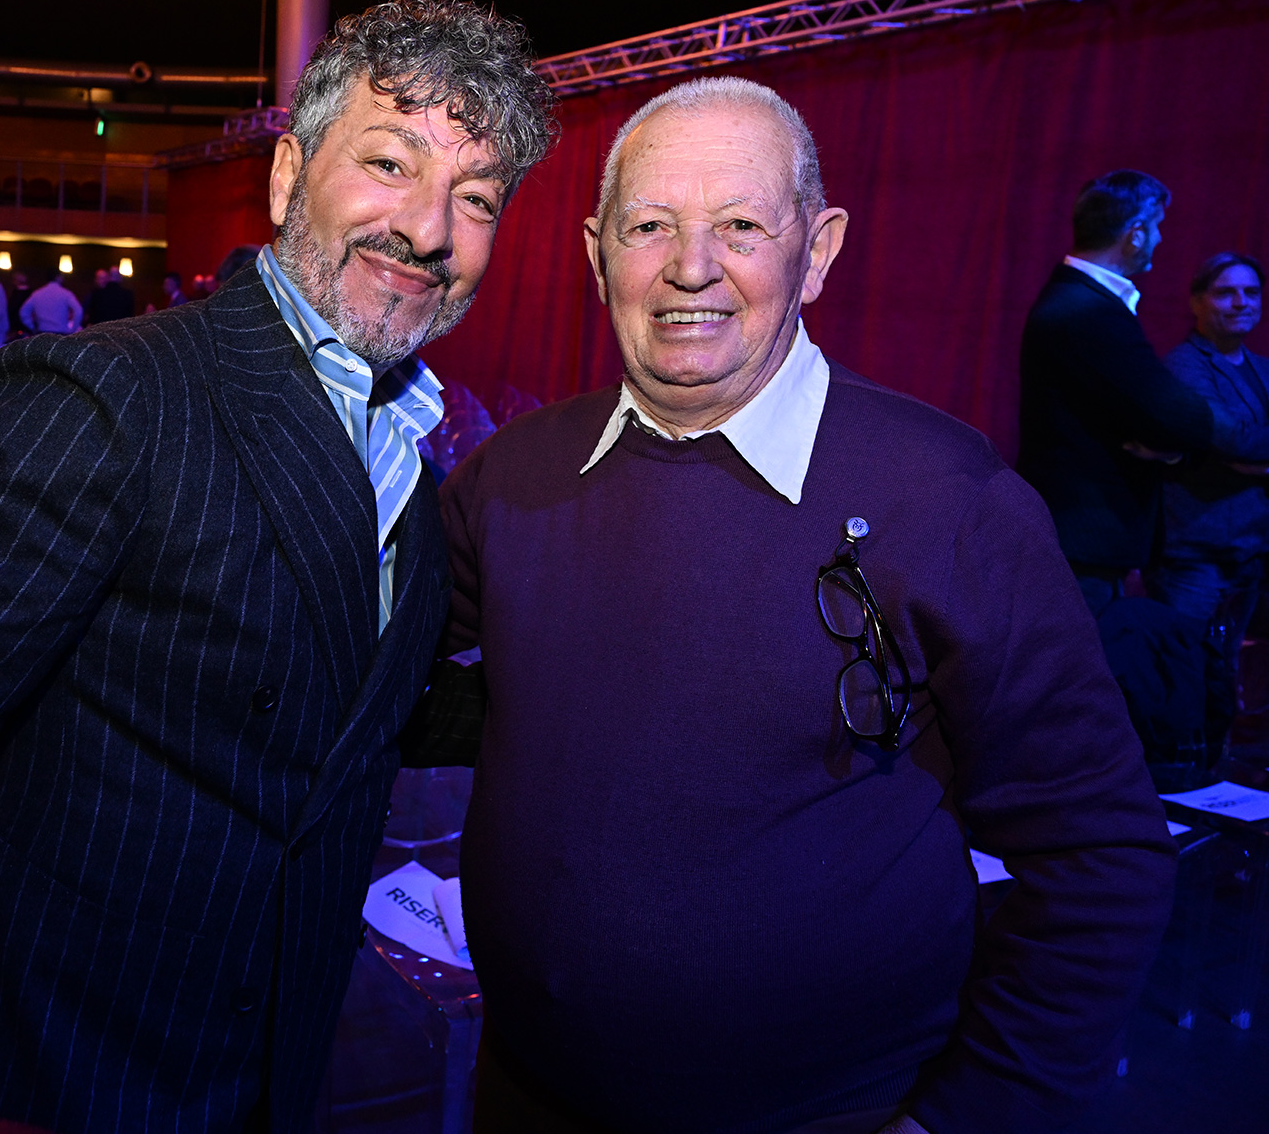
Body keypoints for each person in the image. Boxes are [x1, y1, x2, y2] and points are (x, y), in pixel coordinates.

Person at [0, 0, 556, 1134]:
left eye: (477, 196)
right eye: (390, 163)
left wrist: (568, 698)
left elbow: (347, 694)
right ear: (286, 178)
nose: (429, 228)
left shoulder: (405, 440)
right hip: (58, 1072)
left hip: (266, 1066)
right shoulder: (107, 395)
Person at [407, 77, 1176, 1134]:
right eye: (649, 225)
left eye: (741, 226)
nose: (690, 266)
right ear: (595, 254)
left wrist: (968, 1116)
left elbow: (1100, 852)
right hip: (525, 1099)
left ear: (817, 251)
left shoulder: (947, 498)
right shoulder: (510, 477)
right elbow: (377, 690)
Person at [1018, 171, 1269, 610]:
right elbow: (1172, 415)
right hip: (1086, 535)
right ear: (1135, 234)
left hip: (1088, 535)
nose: (1159, 239)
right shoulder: (1086, 310)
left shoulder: (1080, 300)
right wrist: (1183, 440)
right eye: (1156, 227)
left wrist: (1169, 444)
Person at [1148, 253, 1269, 677]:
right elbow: (1231, 439)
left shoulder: (1261, 368)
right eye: (1225, 293)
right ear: (1197, 302)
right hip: (1196, 553)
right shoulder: (1185, 364)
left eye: (1251, 292)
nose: (1241, 302)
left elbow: (1244, 446)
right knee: (1182, 671)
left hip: (1251, 550)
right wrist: (1242, 453)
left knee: (1226, 672)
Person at [19, 269, 83, 334]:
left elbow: (23, 312)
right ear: (59, 277)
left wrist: (32, 327)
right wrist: (73, 329)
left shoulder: (37, 293)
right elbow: (78, 311)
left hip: (42, 332)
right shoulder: (66, 293)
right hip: (60, 333)